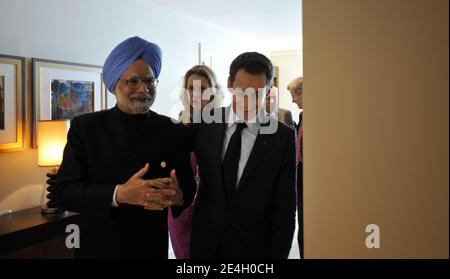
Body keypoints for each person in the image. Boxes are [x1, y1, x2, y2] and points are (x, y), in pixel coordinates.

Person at [53, 36, 196, 258]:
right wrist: (119, 194)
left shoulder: (171, 129)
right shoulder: (86, 128)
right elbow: (63, 192)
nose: (144, 88)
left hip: (151, 250)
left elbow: (188, 186)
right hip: (99, 250)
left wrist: (178, 196)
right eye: (133, 81)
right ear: (114, 84)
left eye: (150, 81)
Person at [186, 52, 297, 259]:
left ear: (269, 90)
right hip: (206, 246)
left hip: (254, 250)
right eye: (242, 91)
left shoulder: (283, 137)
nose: (248, 101)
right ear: (229, 84)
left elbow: (285, 209)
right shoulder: (205, 122)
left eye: (257, 93)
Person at [168, 64, 223, 259]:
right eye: (191, 88)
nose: (196, 94)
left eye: (202, 88)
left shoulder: (224, 125)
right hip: (182, 211)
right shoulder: (179, 124)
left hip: (214, 210)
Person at [287, 76, 304, 259]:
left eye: (294, 95)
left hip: (309, 175)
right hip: (298, 174)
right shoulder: (301, 116)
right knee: (302, 222)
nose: (292, 100)